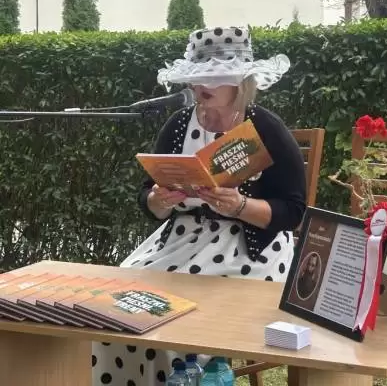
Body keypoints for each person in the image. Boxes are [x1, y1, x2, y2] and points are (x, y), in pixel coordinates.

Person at [92, 26, 306, 386]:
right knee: (117, 312)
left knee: (170, 329)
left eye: (213, 77)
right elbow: (146, 197)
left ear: (239, 82)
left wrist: (240, 206)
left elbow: (294, 212)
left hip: (250, 251)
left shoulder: (266, 128)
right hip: (181, 242)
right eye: (197, 77)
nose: (200, 86)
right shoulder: (179, 125)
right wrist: (158, 200)